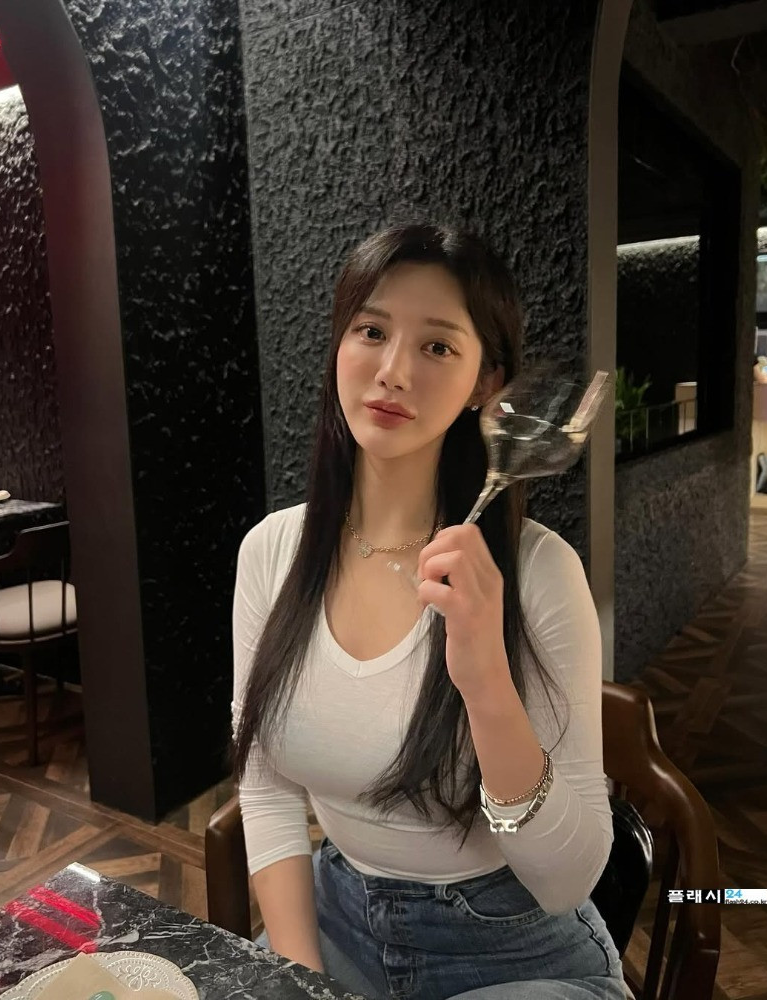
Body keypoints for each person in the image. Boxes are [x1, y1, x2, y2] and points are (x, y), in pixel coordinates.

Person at [231, 222, 626, 1000]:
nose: (392, 372)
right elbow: (265, 789)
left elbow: (568, 878)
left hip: (511, 946)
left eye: (437, 346)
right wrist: (302, 978)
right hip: (334, 920)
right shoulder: (272, 553)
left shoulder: (539, 574)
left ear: (487, 384)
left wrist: (486, 681)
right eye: (371, 331)